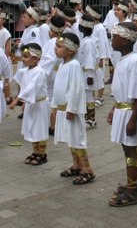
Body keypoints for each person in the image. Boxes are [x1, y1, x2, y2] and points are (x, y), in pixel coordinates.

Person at [107, 22, 137, 207]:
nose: (111, 40)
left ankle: (132, 191)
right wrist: (114, 107)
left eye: (114, 36)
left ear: (124, 41)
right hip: (123, 110)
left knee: (131, 148)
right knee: (126, 147)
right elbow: (121, 88)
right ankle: (135, 182)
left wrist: (133, 120)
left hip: (131, 112)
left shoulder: (135, 61)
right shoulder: (123, 60)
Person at [53, 33, 96, 185]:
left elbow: (76, 88)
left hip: (71, 110)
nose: (55, 48)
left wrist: (72, 109)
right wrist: (55, 106)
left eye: (59, 46)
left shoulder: (74, 66)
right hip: (63, 109)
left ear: (70, 50)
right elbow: (58, 87)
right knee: (71, 139)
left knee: (77, 139)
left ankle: (87, 169)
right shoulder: (62, 65)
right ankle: (77, 165)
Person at [10, 43, 50, 165]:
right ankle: (35, 152)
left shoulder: (39, 72)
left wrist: (17, 99)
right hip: (31, 104)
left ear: (35, 58)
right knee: (32, 128)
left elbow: (31, 87)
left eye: (26, 56)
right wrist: (25, 102)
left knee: (40, 129)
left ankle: (42, 154)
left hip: (40, 104)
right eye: (22, 56)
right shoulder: (25, 71)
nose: (23, 59)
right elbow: (24, 86)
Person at [38, 14, 66, 135]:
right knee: (56, 97)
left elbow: (49, 59)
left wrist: (41, 73)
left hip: (50, 73)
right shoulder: (63, 40)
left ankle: (52, 125)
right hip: (58, 72)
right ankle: (55, 124)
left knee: (50, 97)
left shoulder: (52, 43)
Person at [78, 14, 103, 128]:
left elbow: (90, 60)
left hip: (88, 73)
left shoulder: (88, 42)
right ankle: (87, 116)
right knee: (85, 96)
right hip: (84, 72)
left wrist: (90, 76)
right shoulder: (86, 40)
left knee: (89, 96)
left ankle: (91, 119)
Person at [0, 12, 12, 104]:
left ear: (4, 20)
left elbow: (7, 46)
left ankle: (7, 96)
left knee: (6, 77)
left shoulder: (5, 32)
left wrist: (5, 57)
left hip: (3, 58)